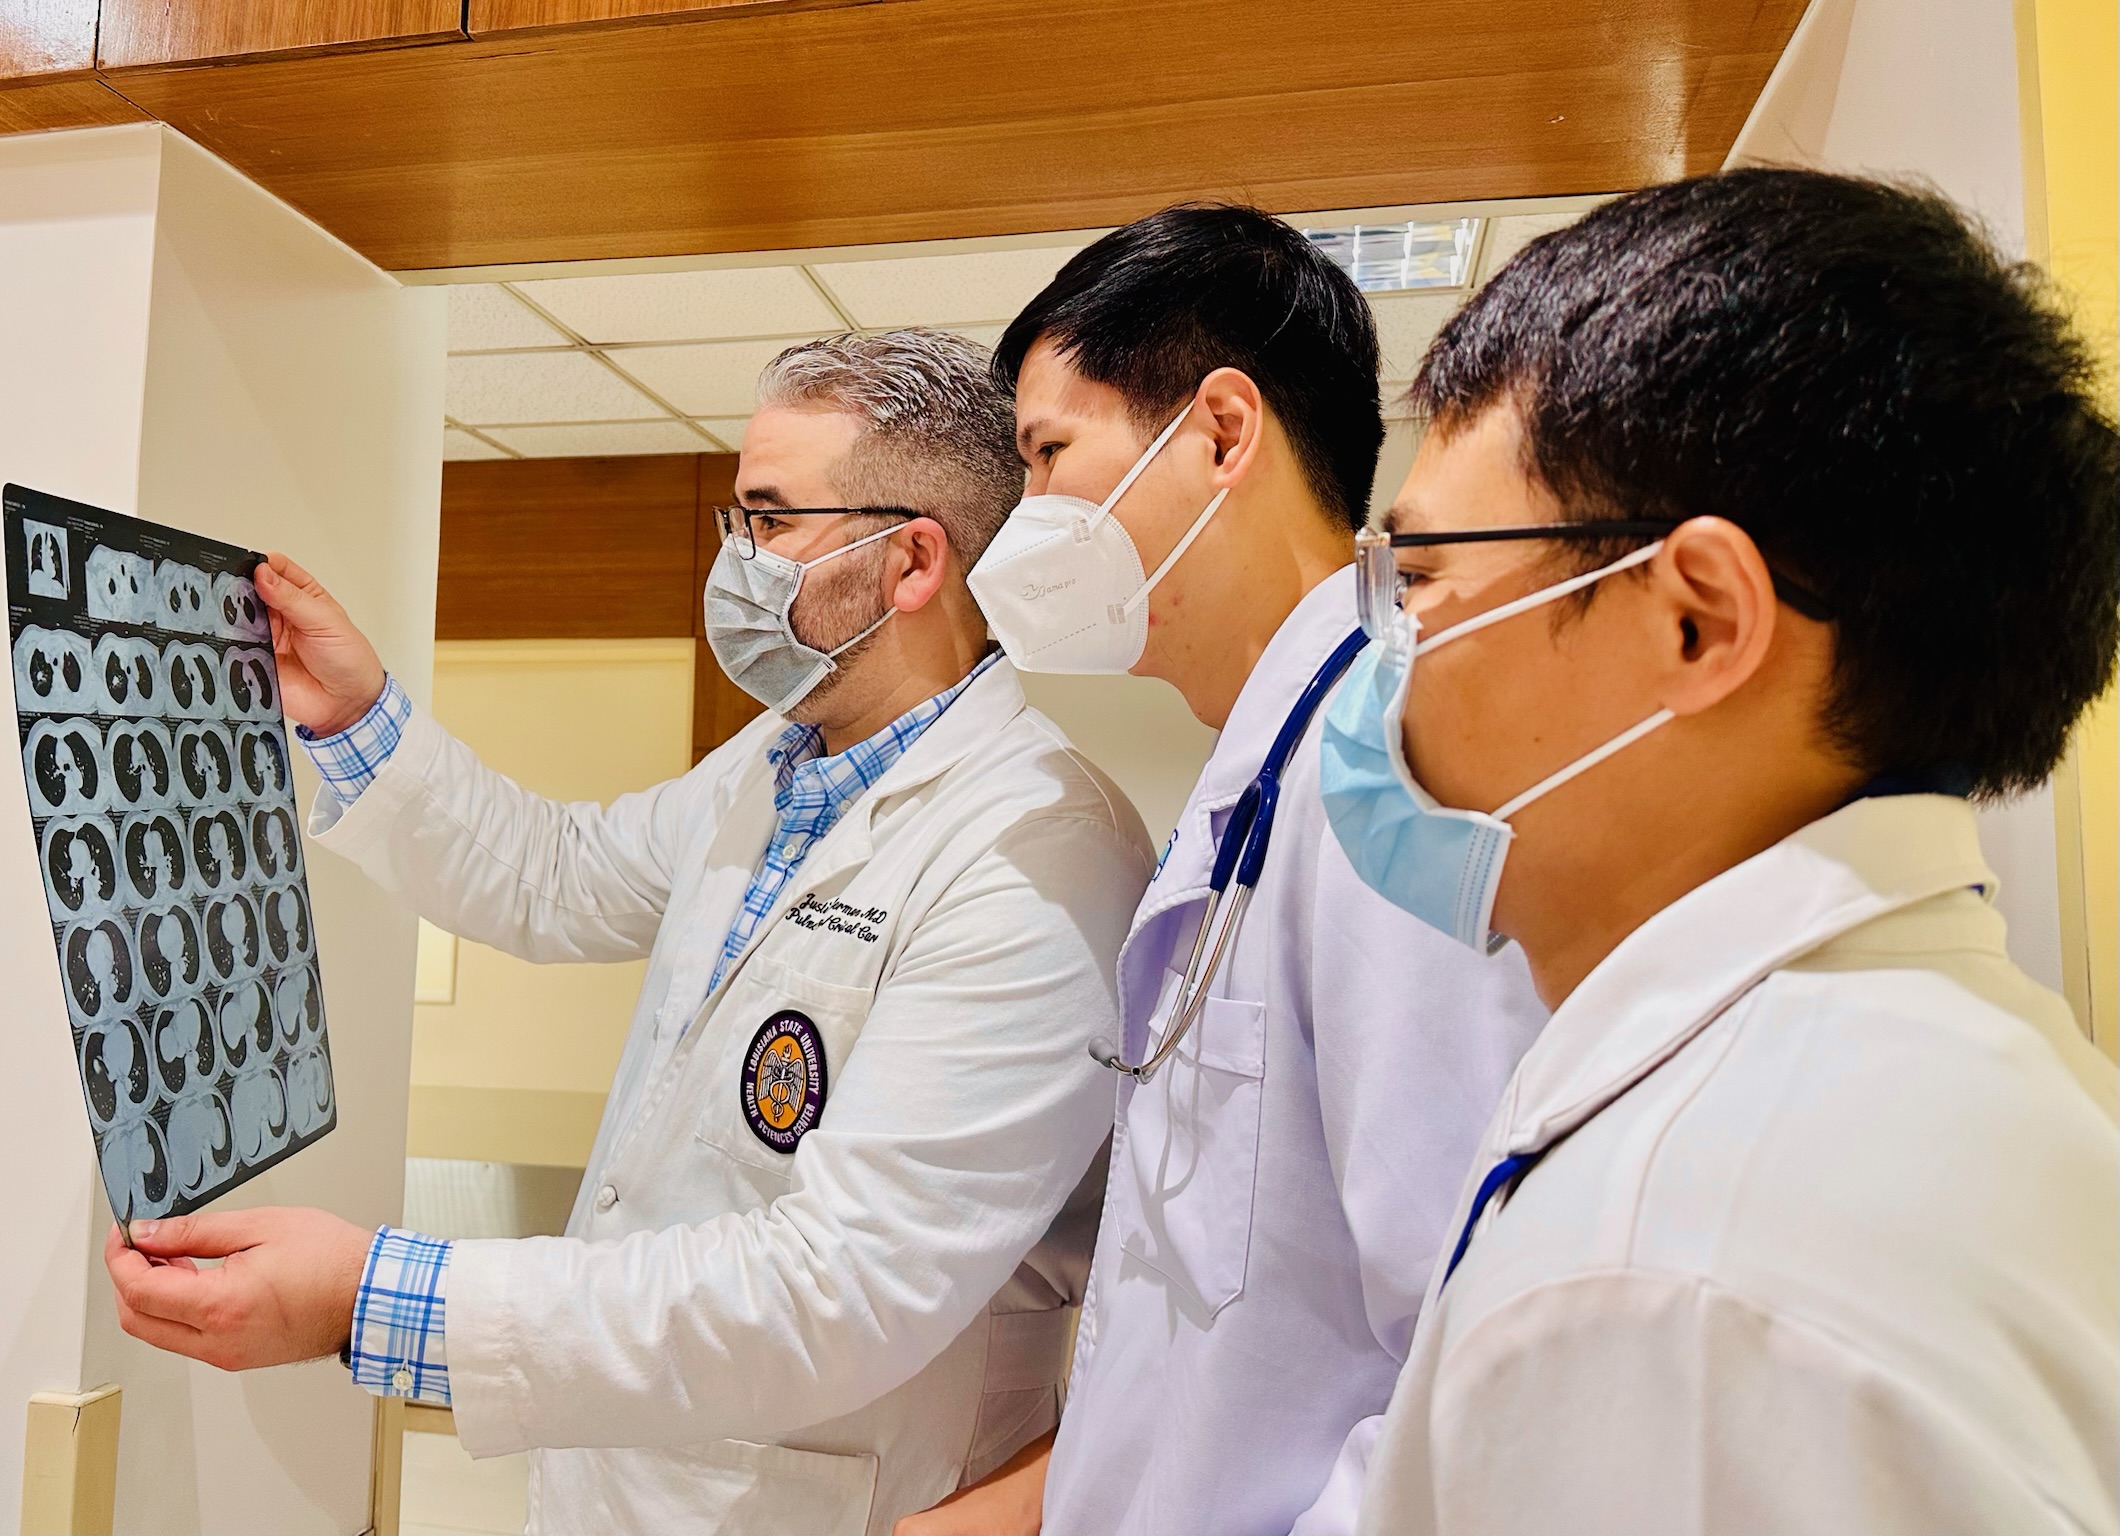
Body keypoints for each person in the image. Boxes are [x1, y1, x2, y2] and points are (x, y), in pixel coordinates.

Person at [106, 329, 1156, 1536]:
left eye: (768, 521)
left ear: (912, 561)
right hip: (639, 1472)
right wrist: (356, 719)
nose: (737, 562)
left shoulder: (1036, 853)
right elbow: (557, 876)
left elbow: (840, 1286)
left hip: (825, 1497)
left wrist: (372, 1299)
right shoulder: (780, 761)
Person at [1320, 169, 2118, 1534]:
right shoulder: (1954, 1074)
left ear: (1695, 620)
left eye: (1429, 577)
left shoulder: (1669, 1285)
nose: (1385, 653)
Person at [900, 206, 1545, 1536]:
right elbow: (1237, 1312)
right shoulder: (1262, 772)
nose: (1026, 522)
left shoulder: (1389, 770)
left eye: (1049, 455)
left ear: (1221, 433)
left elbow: (1467, 1343)